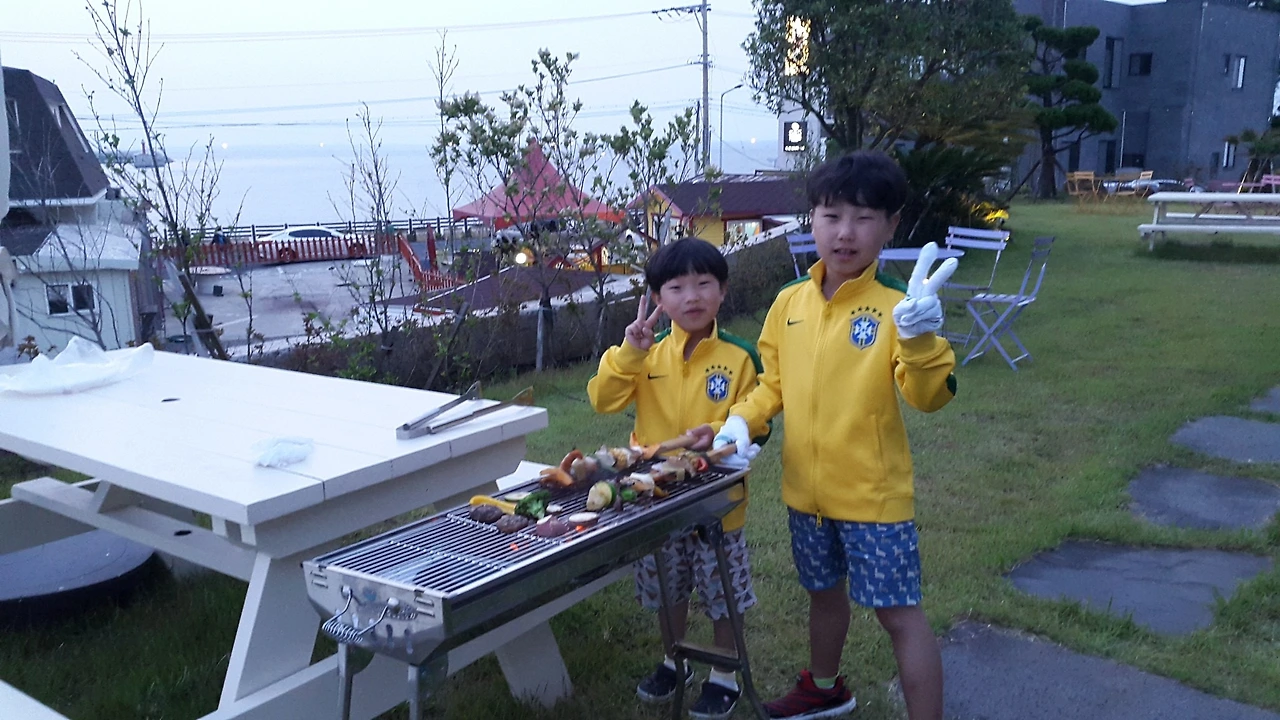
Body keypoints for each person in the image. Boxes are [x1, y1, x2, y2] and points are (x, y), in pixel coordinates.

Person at [694, 151, 958, 720]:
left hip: (873, 498)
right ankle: (824, 687)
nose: (845, 233)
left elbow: (929, 397)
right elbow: (772, 385)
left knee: (898, 615)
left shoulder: (898, 307)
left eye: (864, 218)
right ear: (811, 220)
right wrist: (739, 421)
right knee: (823, 594)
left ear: (890, 225)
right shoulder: (789, 302)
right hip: (806, 496)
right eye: (832, 215)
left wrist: (919, 340)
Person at [587, 236, 770, 720]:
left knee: (722, 592)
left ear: (723, 291)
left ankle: (724, 674)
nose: (692, 297)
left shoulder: (739, 356)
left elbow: (758, 420)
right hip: (654, 496)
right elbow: (603, 400)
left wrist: (730, 437)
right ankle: (674, 661)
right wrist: (629, 353)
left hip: (717, 500)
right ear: (657, 298)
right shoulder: (644, 354)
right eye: (676, 287)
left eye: (704, 284)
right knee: (667, 588)